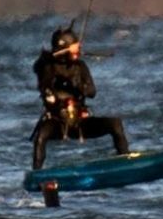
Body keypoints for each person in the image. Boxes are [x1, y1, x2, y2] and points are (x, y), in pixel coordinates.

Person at [30, 22, 129, 170]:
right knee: (41, 136)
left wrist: (77, 87)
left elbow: (92, 92)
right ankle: (37, 172)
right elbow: (37, 67)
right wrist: (51, 59)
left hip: (80, 121)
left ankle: (125, 162)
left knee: (115, 124)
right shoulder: (47, 67)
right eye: (74, 47)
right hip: (57, 121)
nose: (78, 50)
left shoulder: (80, 67)